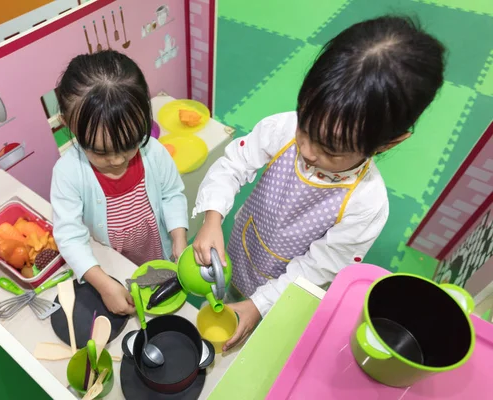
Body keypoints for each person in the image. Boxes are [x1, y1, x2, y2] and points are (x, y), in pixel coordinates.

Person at [192, 16, 445, 350]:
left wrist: (259, 306)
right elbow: (233, 164)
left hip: (292, 280)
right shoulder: (282, 128)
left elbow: (317, 268)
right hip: (247, 244)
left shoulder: (366, 204)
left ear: (388, 143)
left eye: (330, 150)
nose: (307, 151)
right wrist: (212, 217)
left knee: (272, 332)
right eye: (305, 128)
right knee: (238, 286)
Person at [51, 50, 188, 315]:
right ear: (68, 123)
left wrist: (179, 240)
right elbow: (69, 236)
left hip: (156, 249)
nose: (117, 159)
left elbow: (172, 195)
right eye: (100, 151)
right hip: (111, 263)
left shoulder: (154, 153)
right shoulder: (68, 173)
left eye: (130, 144)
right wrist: (103, 285)